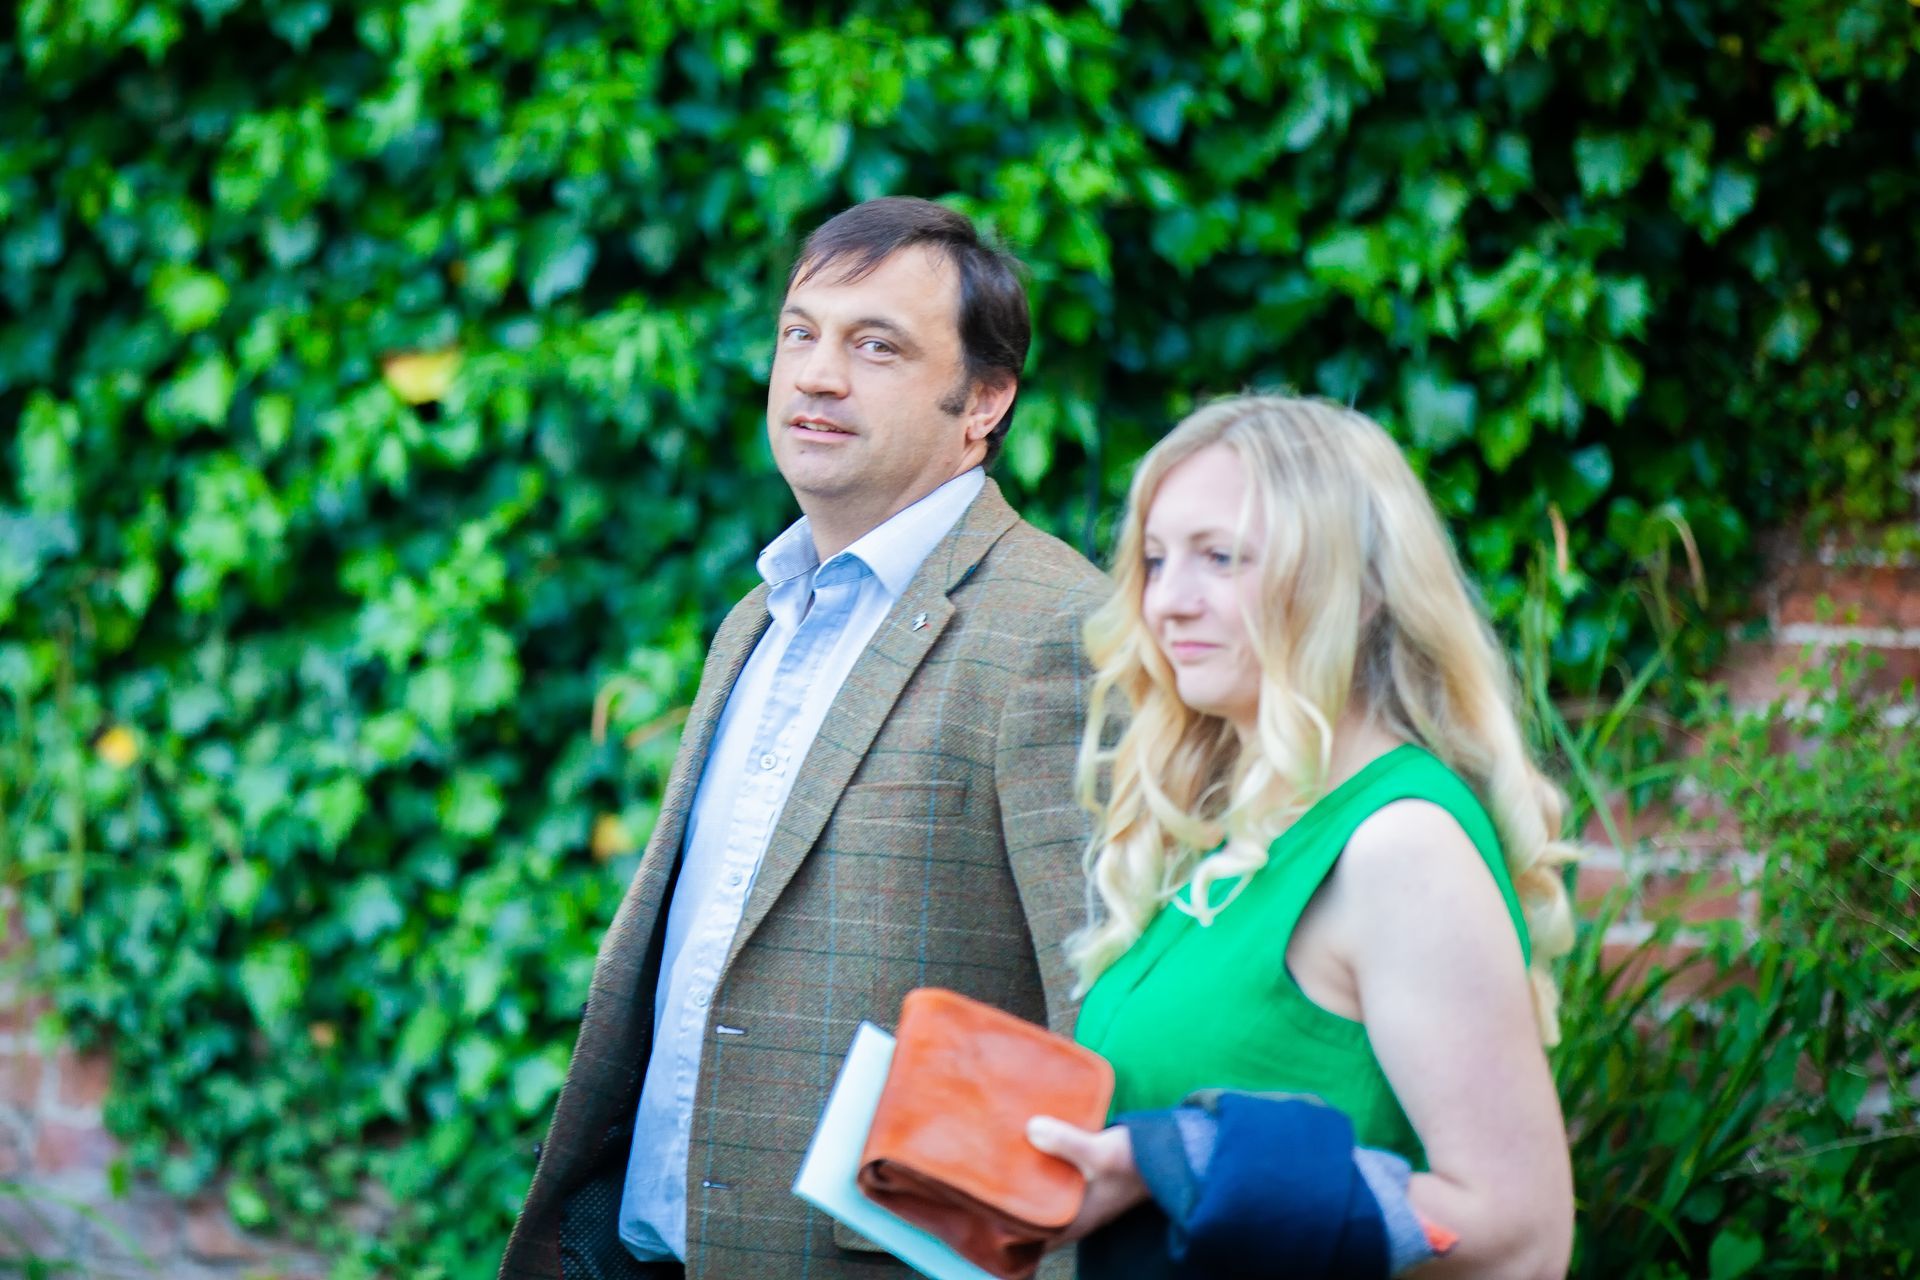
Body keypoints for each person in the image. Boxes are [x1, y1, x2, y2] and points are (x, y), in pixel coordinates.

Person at [498, 198, 1108, 1280]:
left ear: (984, 401)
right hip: (645, 1252)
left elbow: (1104, 1014)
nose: (819, 374)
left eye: (877, 346)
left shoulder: (1056, 628)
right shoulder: (762, 613)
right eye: (800, 332)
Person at [1025, 395, 1578, 1278]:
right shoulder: (1241, 833)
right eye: (1157, 561)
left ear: (1355, 590)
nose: (1168, 602)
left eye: (1220, 558)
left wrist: (1176, 1163)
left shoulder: (1400, 844)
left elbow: (1521, 1235)